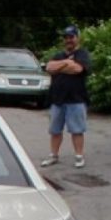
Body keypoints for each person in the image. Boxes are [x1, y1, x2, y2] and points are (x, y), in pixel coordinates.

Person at [41, 26, 92, 169]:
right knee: (55, 130)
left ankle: (79, 156)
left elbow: (78, 69)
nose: (68, 40)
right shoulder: (58, 55)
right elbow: (49, 68)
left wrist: (62, 67)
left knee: (77, 130)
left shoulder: (83, 54)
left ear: (77, 38)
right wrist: (66, 63)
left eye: (71, 37)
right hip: (57, 99)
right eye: (66, 37)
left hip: (76, 99)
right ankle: (53, 156)